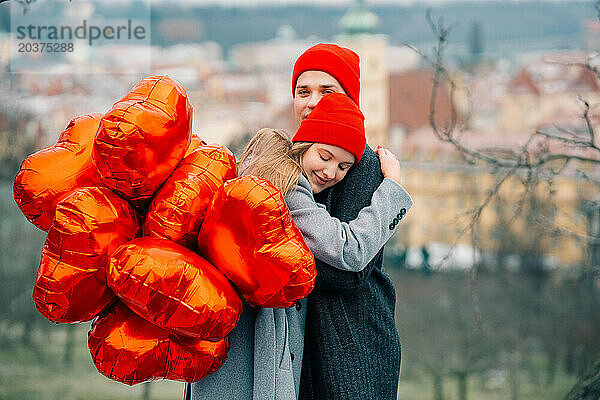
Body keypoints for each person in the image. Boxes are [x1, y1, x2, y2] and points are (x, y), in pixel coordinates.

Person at [188, 93, 412, 400]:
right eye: (324, 156)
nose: (331, 172)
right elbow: (350, 250)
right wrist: (392, 189)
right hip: (257, 345)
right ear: (304, 144)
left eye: (344, 166)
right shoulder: (289, 189)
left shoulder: (263, 173)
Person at [291, 43, 404, 400]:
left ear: (349, 100)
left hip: (354, 348)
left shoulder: (362, 166)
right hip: (315, 346)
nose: (312, 101)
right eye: (303, 91)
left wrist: (272, 254)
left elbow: (346, 273)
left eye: (327, 91)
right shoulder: (299, 160)